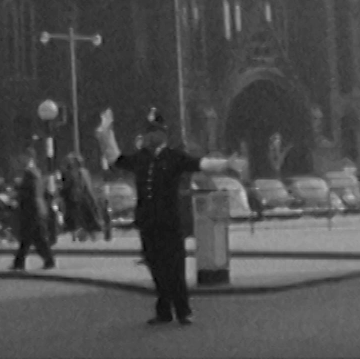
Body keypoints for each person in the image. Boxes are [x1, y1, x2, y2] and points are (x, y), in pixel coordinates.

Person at [98, 107, 243, 326]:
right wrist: (105, 133)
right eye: (147, 133)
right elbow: (115, 159)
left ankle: (183, 311)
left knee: (175, 268)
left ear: (163, 135)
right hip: (148, 223)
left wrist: (225, 164)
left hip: (170, 222)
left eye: (153, 133)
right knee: (155, 266)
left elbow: (200, 164)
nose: (149, 137)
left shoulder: (174, 157)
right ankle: (164, 310)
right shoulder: (141, 158)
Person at [11, 150, 56, 271]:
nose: (20, 160)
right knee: (36, 238)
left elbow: (30, 192)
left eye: (22, 157)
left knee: (30, 237)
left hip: (32, 209)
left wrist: (18, 190)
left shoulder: (30, 173)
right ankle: (21, 263)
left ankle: (20, 263)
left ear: (29, 157)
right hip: (36, 209)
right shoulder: (35, 172)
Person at [62, 153, 103, 241]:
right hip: (78, 200)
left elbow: (82, 187)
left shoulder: (77, 173)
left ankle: (85, 238)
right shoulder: (80, 172)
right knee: (80, 222)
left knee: (81, 221)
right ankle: (84, 238)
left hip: (78, 200)